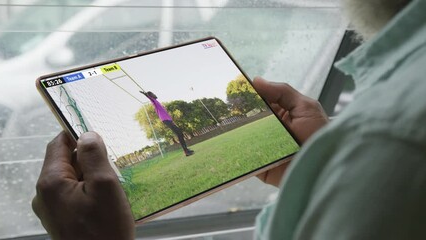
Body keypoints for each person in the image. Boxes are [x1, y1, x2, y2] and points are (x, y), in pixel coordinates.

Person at [32, 0, 426, 239]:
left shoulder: (392, 138)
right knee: (180, 139)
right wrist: (319, 169)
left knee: (183, 138)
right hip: (168, 124)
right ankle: (185, 148)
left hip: (172, 124)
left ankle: (186, 148)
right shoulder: (391, 128)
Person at [140, 90, 194, 156]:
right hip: (165, 120)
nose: (155, 94)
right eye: (153, 94)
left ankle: (186, 150)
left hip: (169, 120)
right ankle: (186, 151)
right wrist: (145, 94)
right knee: (179, 133)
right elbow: (150, 99)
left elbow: (165, 113)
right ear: (151, 96)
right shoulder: (154, 101)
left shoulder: (157, 102)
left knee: (180, 133)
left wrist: (172, 120)